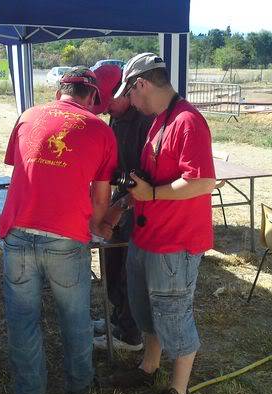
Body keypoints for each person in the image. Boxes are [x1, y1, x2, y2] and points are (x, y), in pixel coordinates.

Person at [0, 67, 118, 394]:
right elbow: (100, 197)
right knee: (75, 318)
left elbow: (22, 170)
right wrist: (99, 225)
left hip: (18, 233)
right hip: (66, 239)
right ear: (94, 99)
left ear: (58, 93)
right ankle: (80, 390)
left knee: (22, 322)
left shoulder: (27, 116)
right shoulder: (100, 129)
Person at [103, 53, 216, 394]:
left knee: (174, 314)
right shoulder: (158, 122)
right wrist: (126, 201)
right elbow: (149, 181)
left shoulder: (187, 121)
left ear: (142, 85)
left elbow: (201, 182)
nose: (130, 103)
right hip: (147, 236)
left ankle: (178, 390)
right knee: (145, 309)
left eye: (130, 94)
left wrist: (151, 194)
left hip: (175, 241)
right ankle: (149, 367)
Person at [89, 64, 155, 353]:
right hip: (121, 193)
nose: (106, 110)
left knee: (129, 266)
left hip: (140, 203)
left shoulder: (145, 121)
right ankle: (116, 318)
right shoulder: (118, 117)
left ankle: (130, 334)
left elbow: (149, 178)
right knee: (112, 262)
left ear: (127, 91)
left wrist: (121, 206)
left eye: (108, 103)